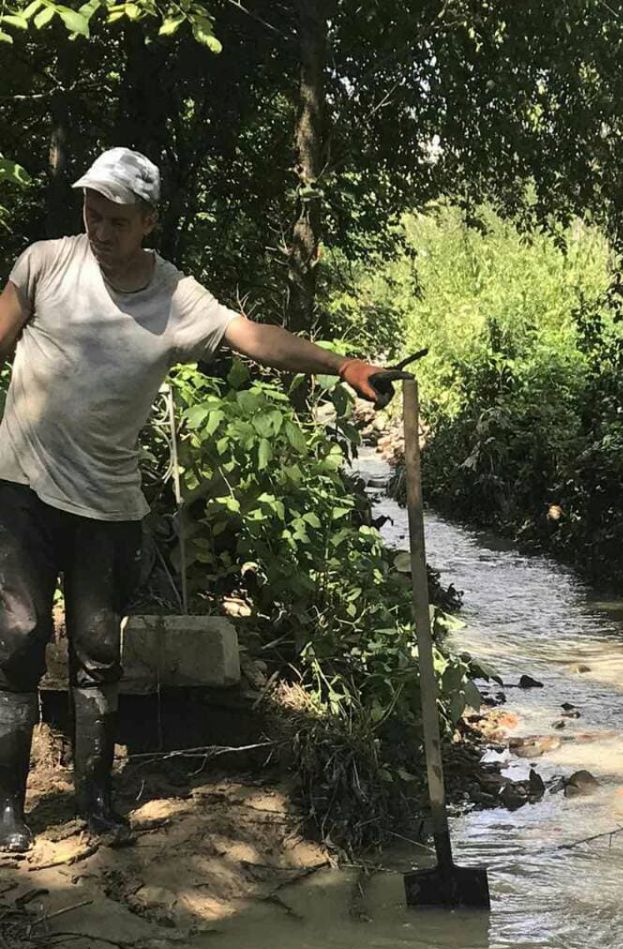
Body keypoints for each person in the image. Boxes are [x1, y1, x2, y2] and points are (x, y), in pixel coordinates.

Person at [0, 147, 410, 853]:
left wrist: (343, 364)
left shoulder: (174, 295)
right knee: (16, 641)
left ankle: (94, 800)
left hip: (108, 504)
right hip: (23, 489)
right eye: (92, 211)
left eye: (117, 219)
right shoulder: (45, 263)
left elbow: (256, 338)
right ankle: (7, 808)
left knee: (99, 649)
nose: (99, 228)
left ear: (149, 222)